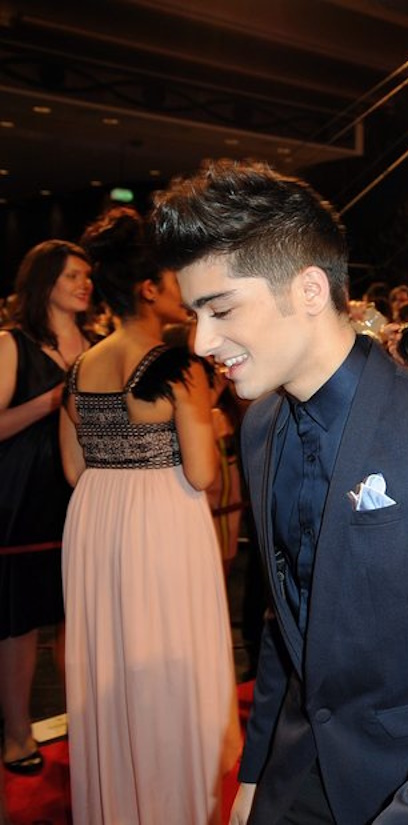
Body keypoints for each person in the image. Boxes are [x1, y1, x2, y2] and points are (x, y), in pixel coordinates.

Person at [152, 159, 408, 825]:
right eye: (195, 313)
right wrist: (256, 774)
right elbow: (286, 623)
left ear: (306, 289)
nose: (202, 340)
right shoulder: (263, 425)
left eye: (221, 309)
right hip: (300, 778)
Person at [61, 208, 240, 823]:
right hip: (160, 518)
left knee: (111, 657)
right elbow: (202, 472)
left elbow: (72, 467)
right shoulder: (178, 368)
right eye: (173, 276)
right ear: (149, 288)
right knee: (166, 660)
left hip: (95, 517)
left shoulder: (82, 365)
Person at [0, 241, 92, 776]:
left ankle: (83, 722)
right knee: (20, 624)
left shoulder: (100, 344)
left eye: (87, 275)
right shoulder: (13, 343)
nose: (84, 283)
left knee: (78, 617)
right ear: (45, 283)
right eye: (72, 275)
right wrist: (55, 400)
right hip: (22, 496)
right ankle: (16, 734)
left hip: (82, 490)